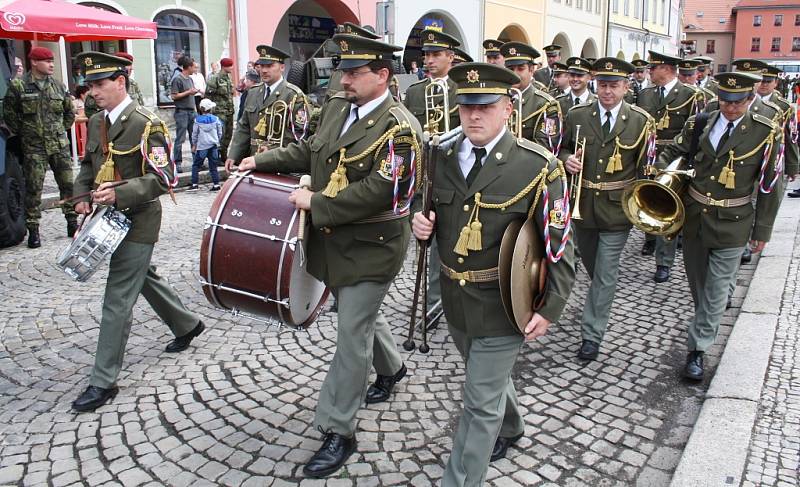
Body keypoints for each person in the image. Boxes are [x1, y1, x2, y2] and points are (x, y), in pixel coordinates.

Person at [237, 34, 422, 478]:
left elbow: (385, 191)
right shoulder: (338, 106)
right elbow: (310, 150)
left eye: (355, 72)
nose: (344, 79)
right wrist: (261, 161)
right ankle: (393, 370)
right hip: (332, 243)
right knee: (363, 318)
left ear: (383, 75)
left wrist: (316, 203)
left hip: (371, 247)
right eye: (343, 70)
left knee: (350, 333)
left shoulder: (401, 128)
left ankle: (339, 428)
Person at [411, 61, 575, 486]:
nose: (475, 116)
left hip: (506, 302)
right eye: (466, 108)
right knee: (486, 378)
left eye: (486, 107)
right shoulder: (441, 156)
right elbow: (427, 206)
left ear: (508, 108)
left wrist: (550, 306)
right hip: (456, 299)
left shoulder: (537, 165)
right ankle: (513, 424)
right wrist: (420, 222)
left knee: (478, 401)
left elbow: (558, 239)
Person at [70, 52, 204, 412]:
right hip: (108, 220)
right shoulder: (98, 121)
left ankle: (103, 381)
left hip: (138, 222)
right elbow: (88, 164)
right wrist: (81, 195)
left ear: (120, 82)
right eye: (90, 85)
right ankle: (186, 324)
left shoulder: (146, 123)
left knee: (117, 298)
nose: (94, 92)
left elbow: (164, 179)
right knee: (143, 277)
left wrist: (120, 193)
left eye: (100, 84)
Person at [656, 71, 781, 380]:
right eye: (725, 101)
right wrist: (658, 169)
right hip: (696, 217)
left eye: (737, 103)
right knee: (699, 285)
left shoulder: (765, 132)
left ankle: (696, 350)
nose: (730, 108)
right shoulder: (702, 122)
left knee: (714, 290)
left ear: (750, 99)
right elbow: (677, 150)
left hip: (734, 223)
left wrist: (761, 232)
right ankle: (706, 321)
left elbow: (770, 187)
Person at [560, 58, 655, 361]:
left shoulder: (641, 121)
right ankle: (595, 308)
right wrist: (566, 160)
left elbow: (645, 170)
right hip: (583, 206)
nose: (607, 91)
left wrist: (644, 210)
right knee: (591, 265)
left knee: (605, 273)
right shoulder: (577, 114)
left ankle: (592, 334)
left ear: (627, 87)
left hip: (616, 211)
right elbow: (560, 146)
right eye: (602, 85)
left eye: (614, 85)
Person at [404, 29, 462, 326]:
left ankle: (452, 296)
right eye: (426, 55)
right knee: (427, 240)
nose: (428, 60)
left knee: (454, 241)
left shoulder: (461, 88)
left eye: (436, 54)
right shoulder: (415, 92)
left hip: (456, 176)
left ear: (451, 57)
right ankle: (432, 299)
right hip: (426, 176)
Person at [3, 46, 77, 248]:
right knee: (34, 189)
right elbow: (9, 113)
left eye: (52, 60)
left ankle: (72, 222)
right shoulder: (19, 86)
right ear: (34, 62)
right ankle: (34, 230)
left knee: (68, 185)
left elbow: (70, 112)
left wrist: (60, 130)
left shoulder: (59, 86)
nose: (51, 64)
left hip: (59, 146)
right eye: (47, 61)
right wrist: (26, 132)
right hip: (34, 147)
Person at [635, 51, 699, 282]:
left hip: (674, 159)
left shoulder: (690, 95)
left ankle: (664, 261)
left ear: (669, 69)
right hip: (648, 155)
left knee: (666, 208)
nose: (650, 71)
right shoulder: (645, 94)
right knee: (644, 200)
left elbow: (695, 131)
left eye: (655, 67)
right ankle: (649, 239)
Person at [224, 45, 310, 171]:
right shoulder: (253, 92)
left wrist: (272, 150)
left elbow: (299, 133)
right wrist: (234, 154)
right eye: (262, 66)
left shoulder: (293, 95)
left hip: (279, 162)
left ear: (282, 67)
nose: (264, 70)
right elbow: (244, 126)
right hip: (253, 159)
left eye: (269, 66)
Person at [499, 41, 562, 152]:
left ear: (532, 70)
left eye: (521, 68)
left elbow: (545, 148)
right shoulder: (496, 98)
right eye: (510, 69)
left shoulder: (545, 104)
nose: (515, 73)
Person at [170, 55, 198, 173]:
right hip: (181, 112)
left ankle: (196, 161)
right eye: (194, 67)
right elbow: (174, 96)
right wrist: (188, 92)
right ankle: (178, 162)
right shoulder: (178, 79)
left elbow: (190, 94)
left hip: (192, 112)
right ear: (188, 67)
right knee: (180, 139)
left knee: (194, 138)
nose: (196, 69)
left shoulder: (190, 79)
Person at [205, 57, 235, 161]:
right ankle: (215, 157)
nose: (232, 67)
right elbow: (208, 96)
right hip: (218, 112)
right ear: (224, 66)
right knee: (219, 135)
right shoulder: (215, 78)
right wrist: (207, 112)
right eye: (230, 65)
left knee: (228, 135)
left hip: (229, 111)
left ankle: (224, 155)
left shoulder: (228, 78)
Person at [189, 98, 222, 191]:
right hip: (213, 146)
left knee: (196, 165)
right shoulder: (216, 119)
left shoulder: (197, 120)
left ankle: (194, 184)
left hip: (202, 147)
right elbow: (220, 132)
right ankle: (216, 184)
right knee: (213, 167)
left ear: (201, 109)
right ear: (210, 109)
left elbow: (194, 134)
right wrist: (217, 140)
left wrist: (194, 144)